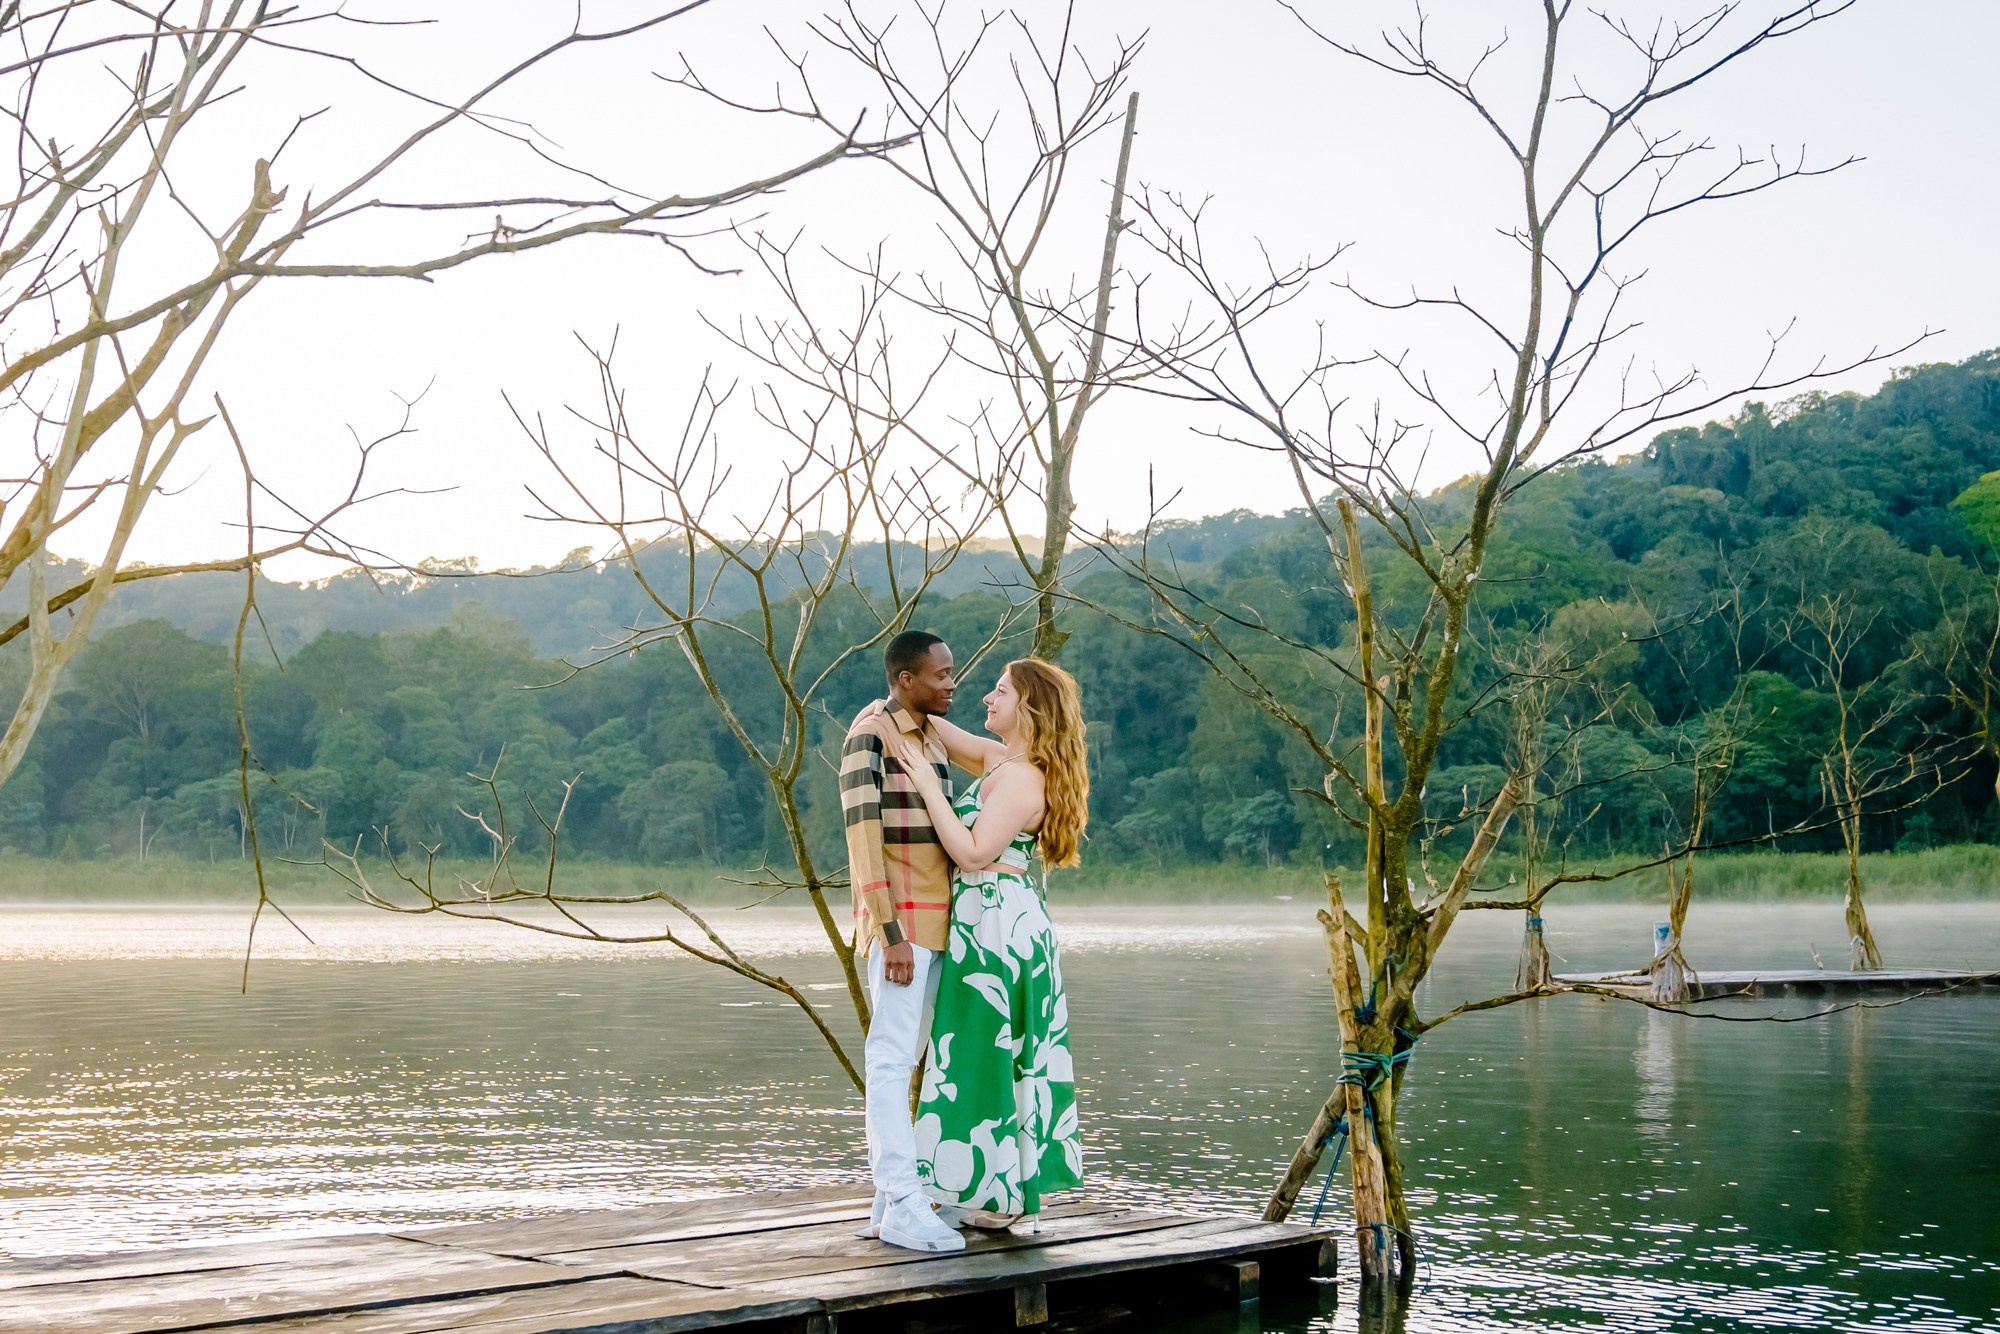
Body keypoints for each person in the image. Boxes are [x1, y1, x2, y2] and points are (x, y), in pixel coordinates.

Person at [878, 656, 1089, 1229]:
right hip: (987, 925)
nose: (986, 699)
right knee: (982, 1052)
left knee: (989, 1051)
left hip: (1003, 929)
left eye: (999, 692)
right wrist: (894, 699)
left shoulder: (1023, 779)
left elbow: (973, 853)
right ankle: (990, 1194)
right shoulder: (1002, 760)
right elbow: (931, 723)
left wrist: (926, 784)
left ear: (1029, 707)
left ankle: (999, 1196)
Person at [840, 630, 967, 1254]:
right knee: (890, 1062)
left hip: (941, 921)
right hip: (903, 928)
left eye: (953, 672)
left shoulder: (931, 736)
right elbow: (864, 841)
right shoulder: (871, 733)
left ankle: (892, 1201)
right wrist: (888, 933)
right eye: (941, 674)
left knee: (910, 1060)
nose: (952, 682)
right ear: (904, 680)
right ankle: (903, 1204)